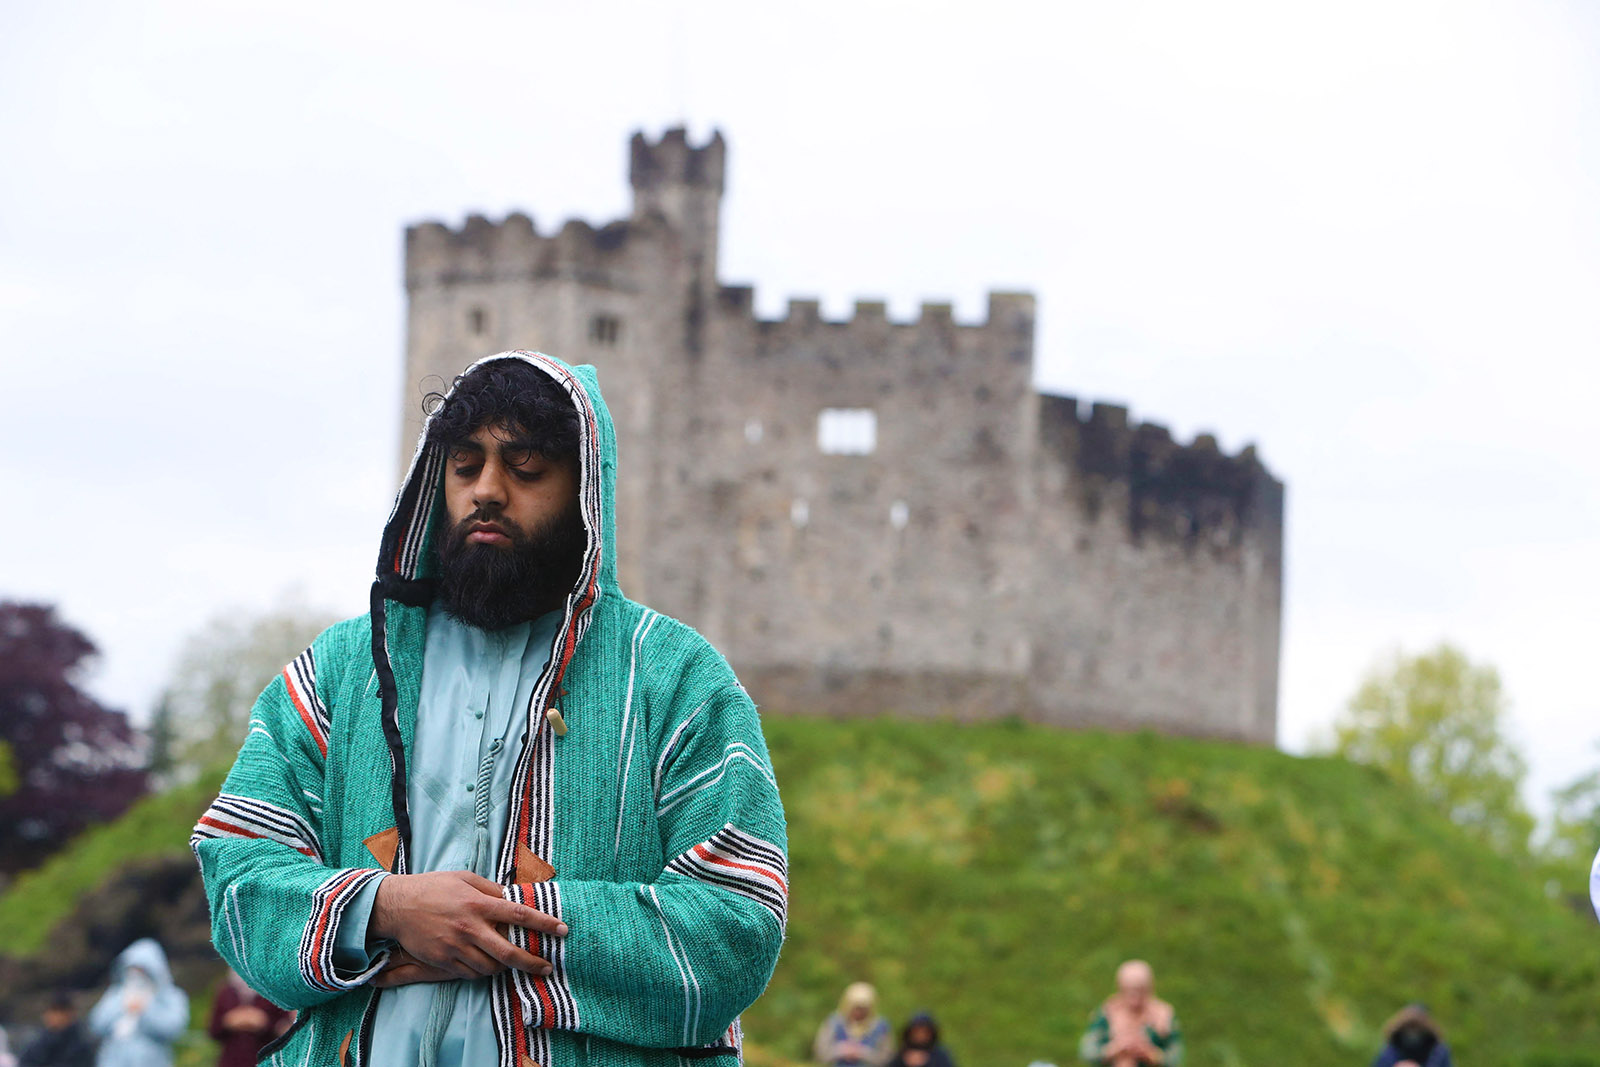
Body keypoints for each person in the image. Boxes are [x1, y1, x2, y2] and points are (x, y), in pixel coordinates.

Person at [190, 352, 788, 1067]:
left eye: (525, 467)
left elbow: (737, 919)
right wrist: (385, 909)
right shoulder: (341, 670)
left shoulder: (677, 678)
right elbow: (238, 865)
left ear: (584, 489)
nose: (487, 490)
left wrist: (494, 927)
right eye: (465, 465)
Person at [85, 939, 188, 1067]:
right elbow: (96, 1024)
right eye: (133, 969)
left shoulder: (169, 996)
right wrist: (121, 1007)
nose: (136, 975)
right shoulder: (116, 994)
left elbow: (174, 1029)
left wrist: (145, 1010)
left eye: (142, 970)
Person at [1078, 960, 1182, 1066]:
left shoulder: (1163, 1015)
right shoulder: (1108, 1013)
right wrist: (1112, 1050)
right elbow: (1088, 1051)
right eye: (1129, 991)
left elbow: (1175, 1056)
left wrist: (1152, 1054)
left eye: (1141, 991)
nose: (1135, 999)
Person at [206, 970, 291, 1067]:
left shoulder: (273, 993)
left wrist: (264, 1022)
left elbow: (285, 1031)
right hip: (231, 1061)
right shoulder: (226, 992)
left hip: (265, 1059)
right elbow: (213, 1030)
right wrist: (228, 1021)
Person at [814, 983, 893, 1067]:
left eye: (863, 1009)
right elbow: (820, 1053)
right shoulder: (834, 1022)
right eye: (856, 1008)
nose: (859, 1013)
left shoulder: (880, 1026)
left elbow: (888, 1058)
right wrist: (841, 1050)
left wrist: (863, 1053)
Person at [18, 992, 95, 1067]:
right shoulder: (38, 1042)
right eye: (52, 1011)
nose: (55, 1017)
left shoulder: (80, 1044)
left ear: (70, 1013)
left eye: (59, 1012)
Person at [1370, 1004, 1452, 1067]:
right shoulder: (1392, 1046)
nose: (1413, 1032)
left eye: (1417, 1028)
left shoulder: (1437, 1050)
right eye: (1410, 1027)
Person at [887, 1012, 953, 1067]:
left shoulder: (939, 1053)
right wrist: (905, 1062)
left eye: (924, 1032)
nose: (920, 1035)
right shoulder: (903, 1053)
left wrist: (927, 1062)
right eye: (917, 1032)